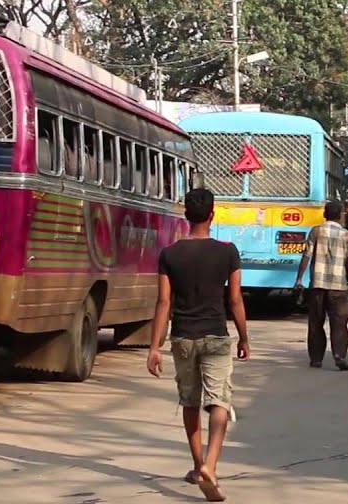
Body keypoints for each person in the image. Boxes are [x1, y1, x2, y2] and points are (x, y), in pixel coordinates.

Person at [147, 188, 251, 503]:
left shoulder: (169, 254)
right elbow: (235, 299)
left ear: (186, 216)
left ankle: (197, 466)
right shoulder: (228, 252)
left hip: (183, 337)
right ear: (212, 215)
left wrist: (154, 347)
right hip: (216, 335)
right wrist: (244, 337)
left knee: (190, 402)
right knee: (219, 402)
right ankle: (211, 465)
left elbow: (163, 302)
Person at [293, 200, 348, 370]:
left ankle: (316, 359)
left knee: (316, 323)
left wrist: (299, 279)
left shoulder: (315, 231)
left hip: (317, 286)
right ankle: (339, 356)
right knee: (339, 323)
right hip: (338, 287)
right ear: (340, 215)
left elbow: (306, 256)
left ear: (325, 214)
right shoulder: (347, 235)